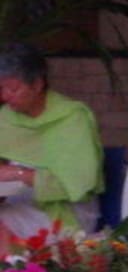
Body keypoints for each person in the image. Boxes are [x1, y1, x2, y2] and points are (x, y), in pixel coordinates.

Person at [0, 43, 104, 253]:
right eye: (2, 89)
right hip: (17, 202)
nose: (5, 97)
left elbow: (79, 187)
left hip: (67, 212)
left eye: (13, 89)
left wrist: (20, 174)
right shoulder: (6, 118)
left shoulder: (72, 119)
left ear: (37, 85)